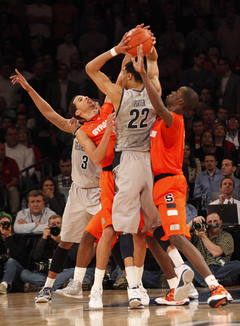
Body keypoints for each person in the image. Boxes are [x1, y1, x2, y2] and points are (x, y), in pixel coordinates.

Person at [133, 43, 232, 308]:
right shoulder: (159, 121)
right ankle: (178, 288)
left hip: (170, 183)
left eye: (175, 91)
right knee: (152, 234)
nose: (171, 93)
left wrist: (142, 73)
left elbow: (156, 97)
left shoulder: (174, 120)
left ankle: (216, 286)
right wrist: (151, 55)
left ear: (180, 102)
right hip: (158, 185)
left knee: (176, 236)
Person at [10, 69, 115, 305]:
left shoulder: (106, 119)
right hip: (78, 192)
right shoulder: (74, 127)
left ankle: (126, 280)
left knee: (107, 238)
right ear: (77, 113)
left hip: (101, 189)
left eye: (86, 97)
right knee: (66, 241)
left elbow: (110, 89)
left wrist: (123, 55)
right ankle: (47, 288)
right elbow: (48, 112)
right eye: (79, 99)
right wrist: (28, 88)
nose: (87, 99)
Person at [85, 28, 162, 309]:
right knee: (146, 228)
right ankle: (144, 285)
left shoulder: (119, 95)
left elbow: (90, 68)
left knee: (122, 229)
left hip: (126, 162)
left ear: (127, 75)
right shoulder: (155, 90)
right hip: (148, 162)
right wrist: (148, 46)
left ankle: (131, 287)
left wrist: (119, 48)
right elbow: (153, 64)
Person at [21, 214, 78, 292]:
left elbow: (74, 256)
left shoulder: (69, 237)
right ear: (48, 226)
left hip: (63, 272)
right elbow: (36, 257)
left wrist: (61, 242)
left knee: (73, 271)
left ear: (63, 224)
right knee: (24, 273)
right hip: (46, 274)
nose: (56, 226)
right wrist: (44, 238)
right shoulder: (45, 238)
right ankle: (55, 285)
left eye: (58, 223)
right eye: (53, 224)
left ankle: (45, 287)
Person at [185, 212, 240, 287]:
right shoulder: (199, 234)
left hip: (220, 267)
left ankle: (204, 281)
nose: (213, 224)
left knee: (237, 264)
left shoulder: (226, 236)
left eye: (215, 221)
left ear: (221, 222)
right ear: (206, 224)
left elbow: (216, 252)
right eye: (210, 222)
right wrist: (192, 222)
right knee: (185, 264)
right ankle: (214, 281)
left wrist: (203, 237)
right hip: (202, 267)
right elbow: (181, 237)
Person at [0, 212, 28, 294]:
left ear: (11, 226)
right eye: (2, 224)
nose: (5, 226)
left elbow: (18, 256)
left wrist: (9, 237)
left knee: (11, 261)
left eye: (7, 224)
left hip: (18, 269)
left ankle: (4, 285)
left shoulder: (19, 238)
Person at [0, 141, 20, 217]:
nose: (1, 152)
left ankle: (15, 215)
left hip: (8, 186)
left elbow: (15, 178)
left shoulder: (11, 162)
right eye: (0, 150)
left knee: (13, 190)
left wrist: (7, 186)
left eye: (3, 150)